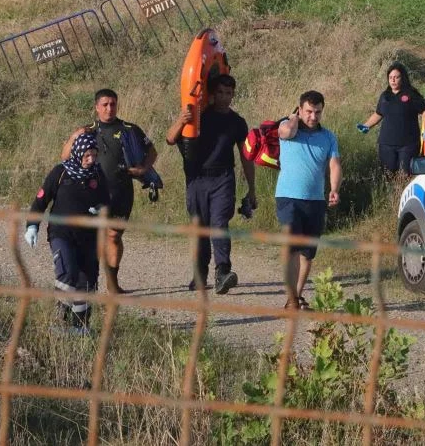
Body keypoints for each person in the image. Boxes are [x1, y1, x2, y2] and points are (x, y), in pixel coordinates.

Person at [166, 74, 256, 294]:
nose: (225, 98)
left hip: (223, 178)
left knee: (219, 224)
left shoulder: (237, 122)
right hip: (197, 179)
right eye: (220, 93)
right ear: (213, 94)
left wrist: (252, 189)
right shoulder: (199, 116)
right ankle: (200, 274)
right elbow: (170, 139)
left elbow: (245, 156)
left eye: (229, 93)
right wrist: (181, 119)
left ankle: (223, 272)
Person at [62, 89, 157, 294]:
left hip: (121, 192)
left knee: (114, 236)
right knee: (91, 238)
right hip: (91, 194)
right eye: (105, 104)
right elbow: (65, 157)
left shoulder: (129, 129)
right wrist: (73, 136)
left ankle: (112, 283)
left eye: (113, 104)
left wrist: (143, 169)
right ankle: (86, 282)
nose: (109, 108)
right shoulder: (86, 131)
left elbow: (152, 151)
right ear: (97, 107)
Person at [25, 132, 110, 334]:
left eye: (94, 155)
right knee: (67, 272)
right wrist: (32, 225)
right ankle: (59, 320)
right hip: (61, 234)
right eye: (87, 155)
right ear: (78, 153)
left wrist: (101, 209)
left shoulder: (98, 175)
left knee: (87, 281)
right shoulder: (61, 172)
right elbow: (41, 200)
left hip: (89, 237)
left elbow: (107, 201)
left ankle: (80, 326)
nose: (91, 160)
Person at [276, 90, 342, 310]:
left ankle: (295, 296)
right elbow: (285, 132)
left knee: (307, 253)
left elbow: (334, 165)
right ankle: (293, 300)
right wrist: (294, 117)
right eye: (309, 112)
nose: (313, 117)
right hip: (288, 198)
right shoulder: (288, 126)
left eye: (318, 112)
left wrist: (334, 188)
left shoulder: (328, 137)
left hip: (315, 200)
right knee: (292, 248)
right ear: (300, 109)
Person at [357, 62, 425, 174]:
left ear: (402, 78)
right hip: (386, 143)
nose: (393, 80)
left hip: (408, 144)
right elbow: (378, 114)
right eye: (390, 77)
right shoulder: (385, 96)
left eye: (396, 77)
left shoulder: (411, 94)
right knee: (388, 174)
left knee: (405, 174)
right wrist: (366, 126)